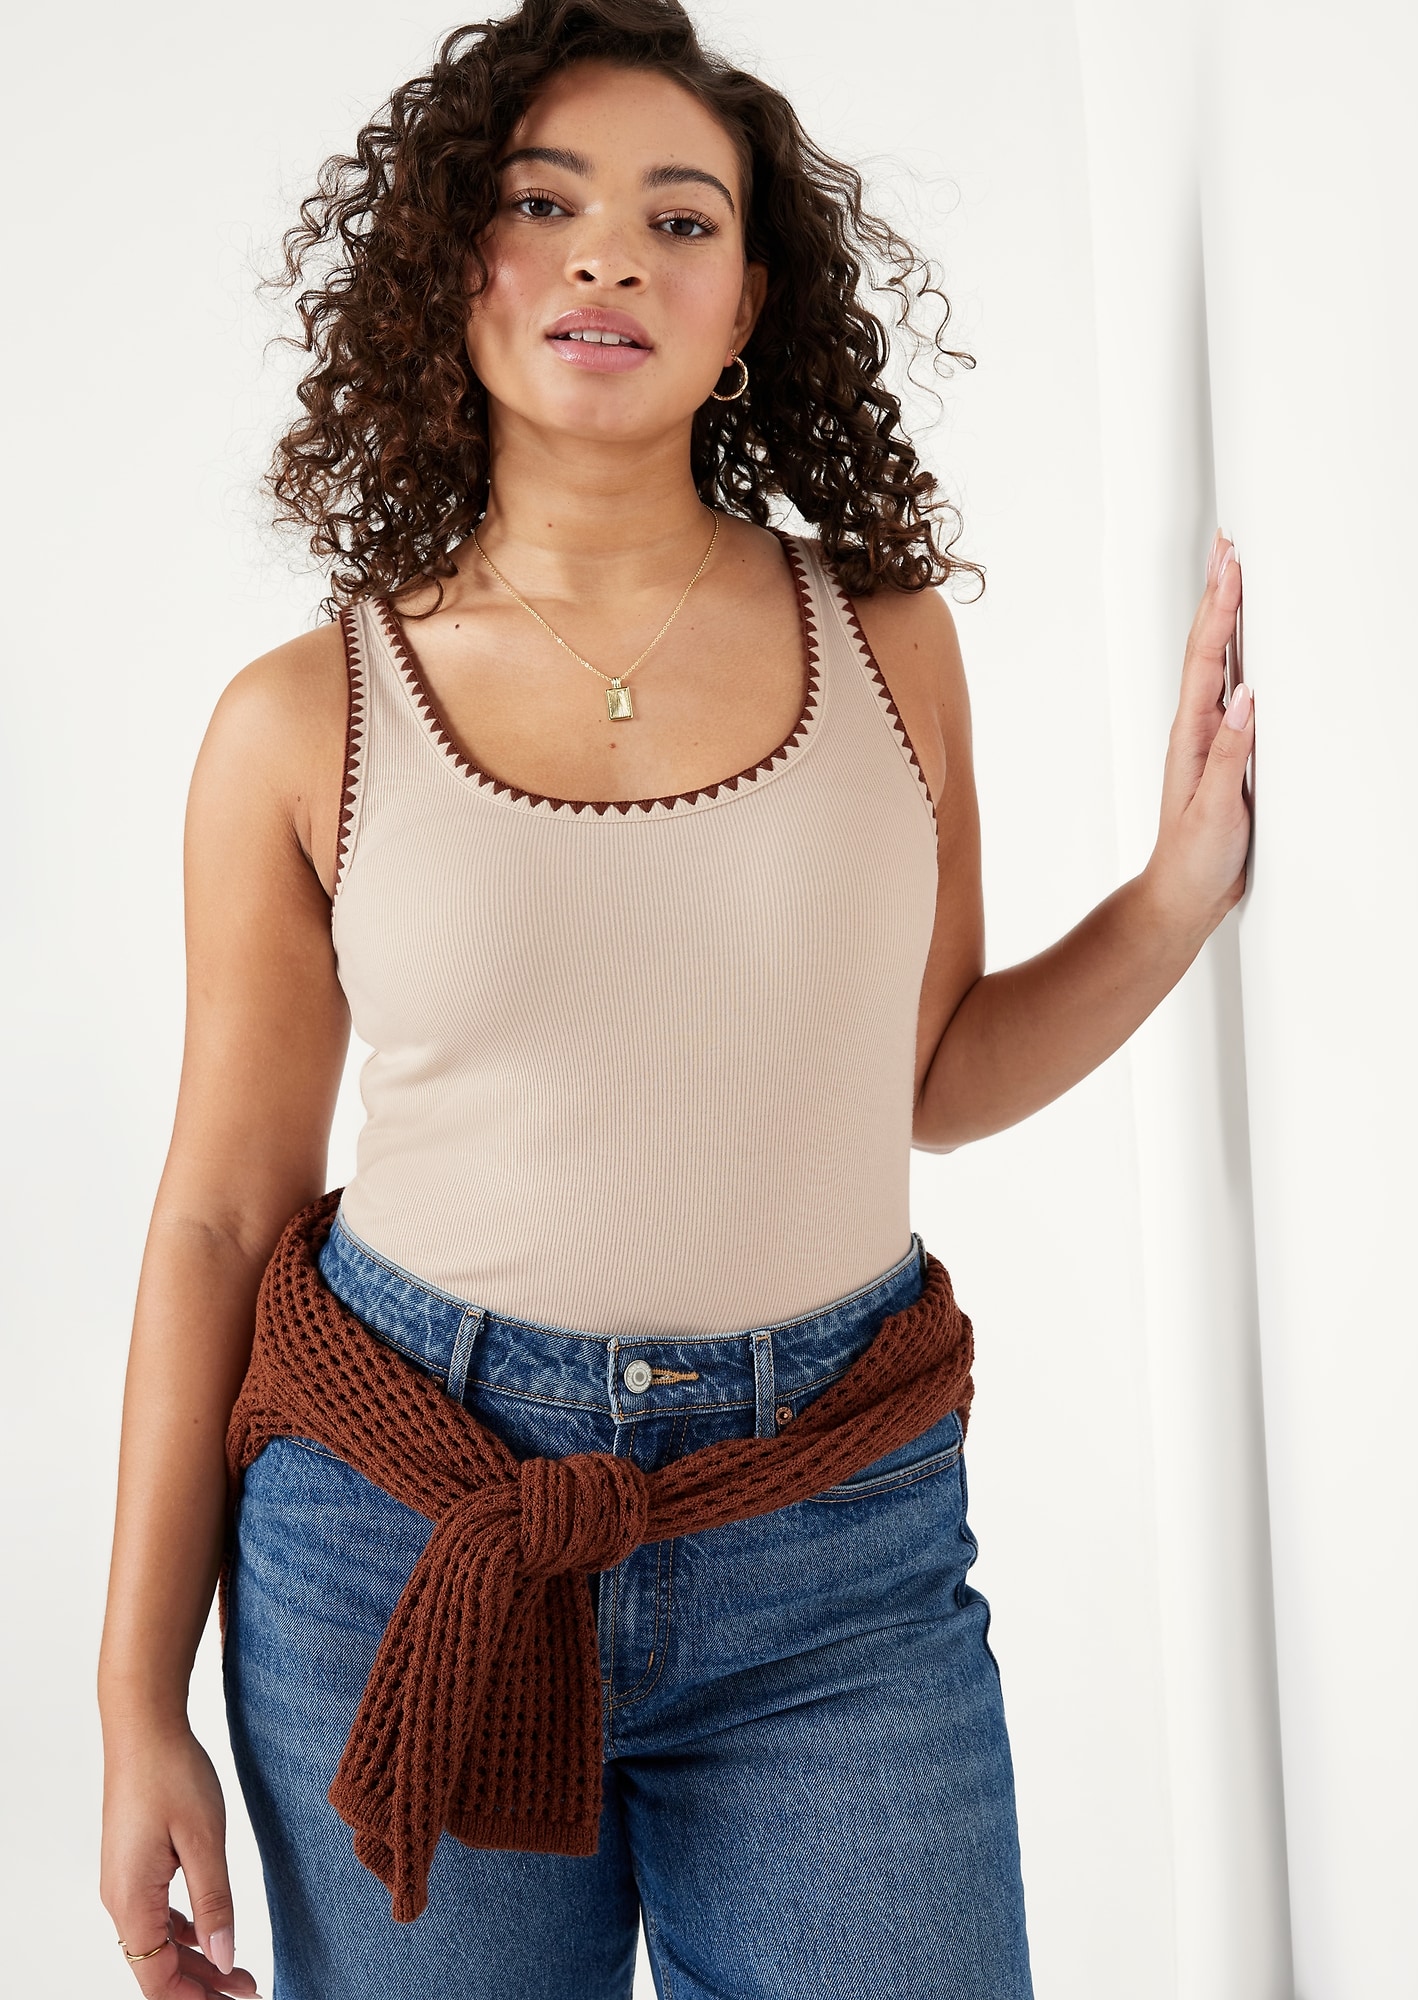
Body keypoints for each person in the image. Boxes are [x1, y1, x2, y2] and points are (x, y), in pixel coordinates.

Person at [95, 2, 1252, 1996]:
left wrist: (1176, 897)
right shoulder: (299, 723)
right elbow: (219, 1215)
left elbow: (932, 1072)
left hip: (830, 1537)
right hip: (403, 1529)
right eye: (543, 204)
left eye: (679, 218)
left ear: (749, 304)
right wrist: (134, 1701)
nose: (610, 258)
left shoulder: (887, 644)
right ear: (450, 266)